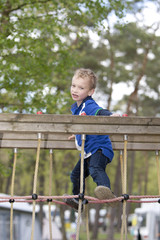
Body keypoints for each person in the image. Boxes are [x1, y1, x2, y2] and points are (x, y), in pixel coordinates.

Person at [65, 68, 120, 211]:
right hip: (88, 152)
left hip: (99, 149)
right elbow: (84, 124)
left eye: (81, 87)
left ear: (90, 92)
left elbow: (98, 111)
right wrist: (76, 134)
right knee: (76, 175)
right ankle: (79, 200)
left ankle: (106, 192)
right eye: (73, 85)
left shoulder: (88, 104)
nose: (75, 90)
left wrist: (109, 115)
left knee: (95, 168)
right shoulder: (77, 109)